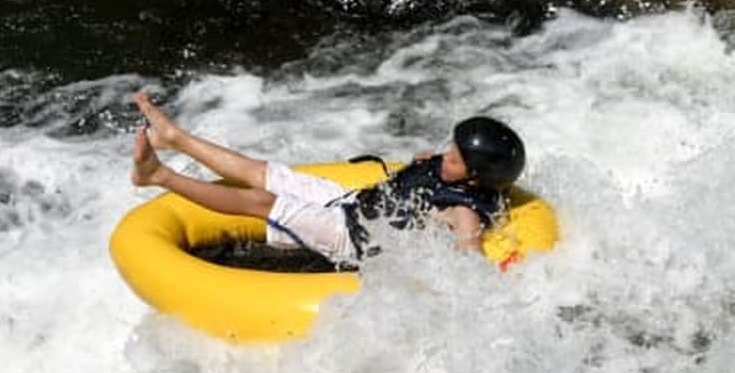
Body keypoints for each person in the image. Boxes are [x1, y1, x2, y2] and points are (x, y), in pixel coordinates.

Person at [131, 92, 525, 264]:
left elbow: (468, 251)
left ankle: (158, 175)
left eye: (455, 157)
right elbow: (419, 177)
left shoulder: (463, 210)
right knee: (260, 172)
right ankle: (174, 138)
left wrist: (484, 263)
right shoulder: (450, 170)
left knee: (261, 201)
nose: (444, 155)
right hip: (352, 202)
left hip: (351, 238)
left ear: (473, 180)